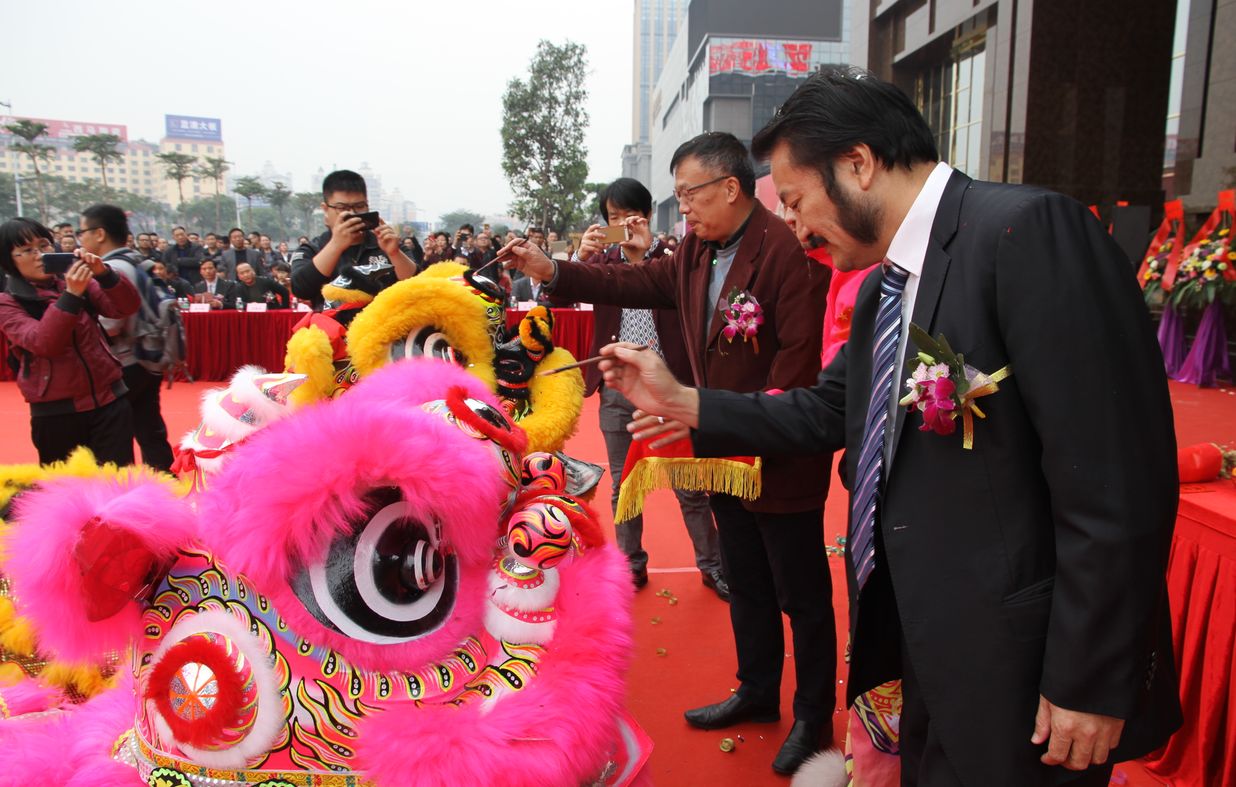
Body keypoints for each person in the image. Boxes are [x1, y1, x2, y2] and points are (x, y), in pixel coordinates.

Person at [596, 69, 1182, 784]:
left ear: (859, 164)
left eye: (800, 200)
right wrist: (686, 400)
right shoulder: (884, 288)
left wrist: (1090, 677)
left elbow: (1115, 478)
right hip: (924, 644)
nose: (798, 226)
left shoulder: (1024, 233)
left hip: (1023, 665)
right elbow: (820, 409)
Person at [499, 131, 834, 776]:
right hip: (719, 453)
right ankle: (758, 690)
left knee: (802, 593)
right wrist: (552, 270)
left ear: (731, 188)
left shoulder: (788, 253)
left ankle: (815, 714)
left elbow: (797, 373)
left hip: (777, 454)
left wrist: (711, 423)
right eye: (678, 197)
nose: (683, 210)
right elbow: (636, 279)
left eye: (690, 195)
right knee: (749, 583)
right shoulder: (696, 254)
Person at [573, 177, 727, 599]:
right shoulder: (599, 263)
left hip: (668, 385)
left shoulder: (675, 259)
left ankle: (713, 565)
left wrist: (642, 256)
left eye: (628, 215)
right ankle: (630, 566)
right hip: (617, 385)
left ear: (645, 214)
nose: (620, 224)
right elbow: (558, 295)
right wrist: (577, 257)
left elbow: (688, 301)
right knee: (625, 484)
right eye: (612, 218)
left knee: (688, 481)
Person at [0, 218, 139, 466]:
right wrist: (71, 296)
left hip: (109, 400)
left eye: (44, 245)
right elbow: (43, 343)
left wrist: (104, 274)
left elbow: (125, 307)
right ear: (9, 260)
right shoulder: (8, 302)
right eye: (27, 250)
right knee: (66, 492)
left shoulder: (75, 281)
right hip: (57, 412)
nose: (40, 255)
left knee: (117, 486)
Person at [77, 204, 176, 473]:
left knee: (116, 437)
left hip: (124, 363)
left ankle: (128, 496)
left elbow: (110, 324)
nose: (79, 239)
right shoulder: (136, 261)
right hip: (150, 357)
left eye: (81, 231)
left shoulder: (110, 269)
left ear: (99, 233)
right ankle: (165, 487)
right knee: (150, 430)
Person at [290, 169, 417, 307]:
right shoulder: (313, 249)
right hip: (331, 325)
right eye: (342, 207)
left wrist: (394, 253)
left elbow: (416, 285)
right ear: (326, 210)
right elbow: (301, 289)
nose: (352, 213)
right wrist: (335, 245)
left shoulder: (388, 244)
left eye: (359, 206)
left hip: (382, 325)